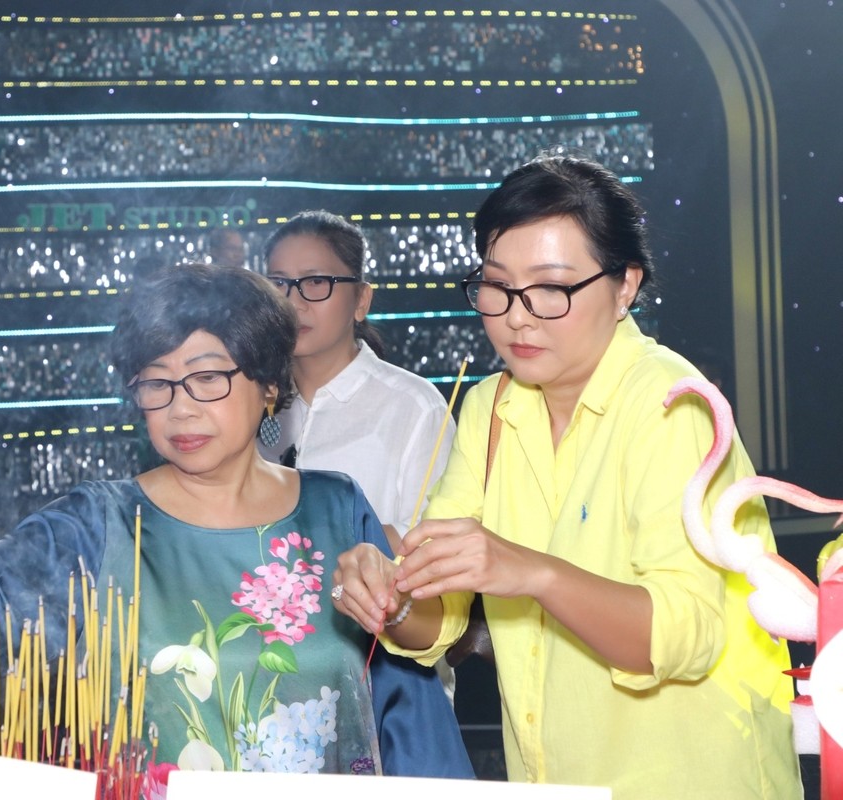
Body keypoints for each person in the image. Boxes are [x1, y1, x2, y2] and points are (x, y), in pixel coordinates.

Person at [0, 262, 473, 779]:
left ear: (269, 385)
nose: (180, 408)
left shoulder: (336, 507)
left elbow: (411, 676)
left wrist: (394, 604)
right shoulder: (104, 520)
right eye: (157, 384)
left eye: (206, 378)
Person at [330, 154, 801, 797]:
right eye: (496, 286)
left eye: (551, 289)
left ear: (625, 285)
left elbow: (683, 633)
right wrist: (390, 594)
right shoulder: (490, 408)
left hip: (689, 778)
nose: (517, 316)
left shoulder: (670, 404)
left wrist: (531, 571)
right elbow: (438, 622)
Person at [260, 211, 460, 698]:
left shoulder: (412, 408)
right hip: (269, 679)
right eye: (279, 284)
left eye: (317, 283)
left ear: (361, 300)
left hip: (386, 682)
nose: (294, 302)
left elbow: (435, 562)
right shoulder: (246, 406)